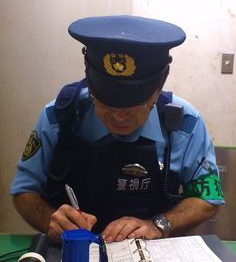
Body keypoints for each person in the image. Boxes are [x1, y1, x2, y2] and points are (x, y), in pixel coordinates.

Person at [10, 15, 225, 244]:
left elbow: (209, 197)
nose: (119, 116)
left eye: (135, 105)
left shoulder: (184, 124)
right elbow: (24, 191)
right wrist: (49, 220)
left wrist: (159, 224)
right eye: (105, 103)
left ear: (161, 83)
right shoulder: (59, 118)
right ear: (89, 80)